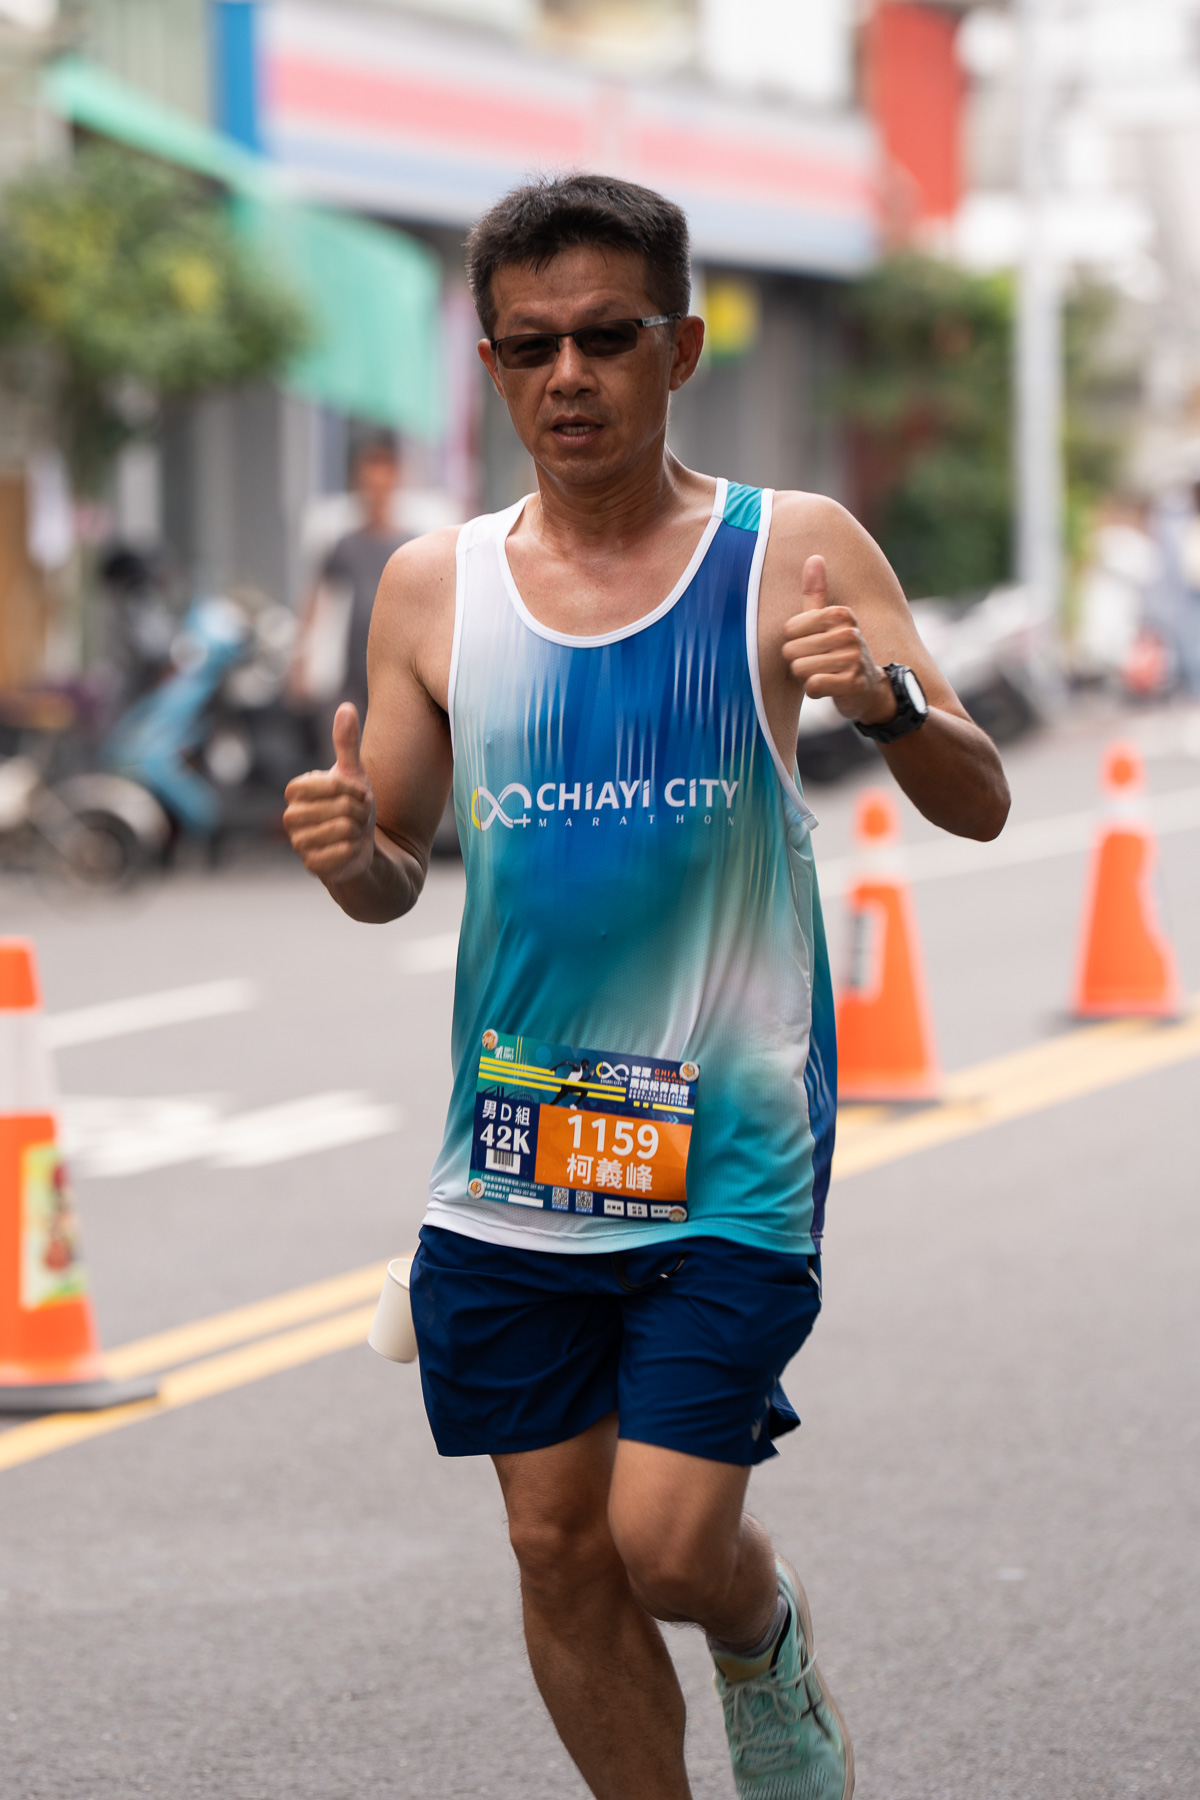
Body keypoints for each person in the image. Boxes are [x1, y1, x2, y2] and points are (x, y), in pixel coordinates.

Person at [283, 174, 1010, 1800]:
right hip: (521, 1143)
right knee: (556, 1545)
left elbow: (978, 795)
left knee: (670, 1544)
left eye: (608, 337)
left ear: (679, 350)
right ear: (489, 364)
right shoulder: (434, 587)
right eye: (530, 344)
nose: (570, 376)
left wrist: (886, 701)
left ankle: (761, 1632)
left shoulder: (787, 550)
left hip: (731, 1142)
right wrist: (350, 856)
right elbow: (394, 867)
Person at [290, 431, 408, 727]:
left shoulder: (410, 547)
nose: (376, 488)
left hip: (397, 677)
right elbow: (317, 599)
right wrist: (301, 660)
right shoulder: (346, 545)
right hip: (349, 677)